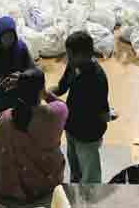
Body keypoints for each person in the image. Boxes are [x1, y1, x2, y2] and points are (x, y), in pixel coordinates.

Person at [0, 69, 67, 203]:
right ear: (41, 90)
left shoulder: (4, 118)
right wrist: (45, 93)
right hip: (45, 186)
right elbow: (63, 106)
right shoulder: (55, 114)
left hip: (10, 188)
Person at [51, 31, 110, 183]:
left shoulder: (97, 79)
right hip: (71, 128)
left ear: (84, 55)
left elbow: (103, 113)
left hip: (87, 135)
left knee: (90, 177)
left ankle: (90, 203)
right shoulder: (73, 66)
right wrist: (41, 92)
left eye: (70, 55)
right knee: (75, 169)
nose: (67, 59)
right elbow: (61, 87)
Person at [0, 16, 36, 121]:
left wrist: (23, 77)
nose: (9, 41)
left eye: (11, 37)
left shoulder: (21, 47)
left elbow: (32, 67)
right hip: (4, 91)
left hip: (22, 84)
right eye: (5, 37)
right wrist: (13, 81)